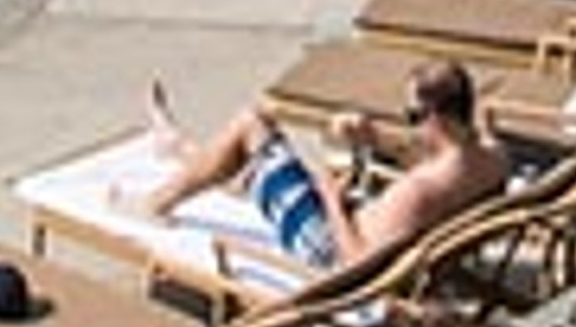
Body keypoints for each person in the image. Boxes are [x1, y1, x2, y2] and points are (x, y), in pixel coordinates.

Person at [126, 61, 507, 274]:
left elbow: (354, 264)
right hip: (364, 226)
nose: (409, 123)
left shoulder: (419, 193)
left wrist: (329, 197)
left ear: (438, 119)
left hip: (323, 245)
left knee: (251, 124)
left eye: (412, 116)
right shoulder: (493, 157)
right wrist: (375, 139)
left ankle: (155, 203)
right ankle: (177, 147)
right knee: (257, 164)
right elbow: (433, 155)